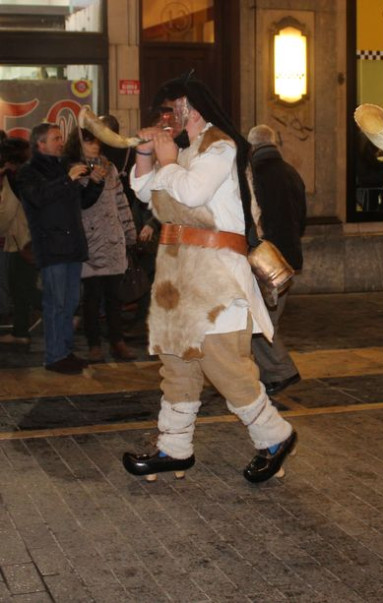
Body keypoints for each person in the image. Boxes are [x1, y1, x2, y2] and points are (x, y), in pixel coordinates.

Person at [122, 73, 296, 483]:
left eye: (172, 109)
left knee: (223, 363)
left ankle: (275, 436)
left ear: (192, 109)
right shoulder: (186, 150)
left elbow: (194, 192)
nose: (167, 119)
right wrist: (147, 155)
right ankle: (174, 447)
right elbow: (150, 193)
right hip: (181, 273)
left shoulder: (221, 146)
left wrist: (165, 160)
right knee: (178, 359)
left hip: (217, 273)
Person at [17, 122, 104, 374]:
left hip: (73, 246)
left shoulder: (64, 167)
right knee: (55, 302)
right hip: (51, 247)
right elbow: (39, 198)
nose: (61, 142)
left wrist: (95, 183)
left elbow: (83, 203)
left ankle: (65, 351)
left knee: (70, 302)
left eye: (61, 137)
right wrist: (67, 179)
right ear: (40, 144)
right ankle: (54, 356)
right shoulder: (28, 171)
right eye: (55, 138)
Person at [63, 126, 138, 362]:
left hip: (113, 238)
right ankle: (94, 344)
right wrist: (91, 180)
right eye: (88, 141)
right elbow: (80, 203)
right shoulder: (75, 169)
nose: (95, 145)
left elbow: (121, 200)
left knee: (114, 297)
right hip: (89, 240)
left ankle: (117, 342)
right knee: (92, 297)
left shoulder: (110, 167)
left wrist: (128, 231)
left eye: (96, 141)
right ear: (78, 143)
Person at [247, 124, 306, 395]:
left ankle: (282, 371)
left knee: (260, 322)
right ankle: (268, 374)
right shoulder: (292, 173)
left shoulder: (253, 174)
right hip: (288, 256)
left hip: (265, 258)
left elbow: (253, 218)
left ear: (252, 147)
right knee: (268, 319)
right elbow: (302, 218)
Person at [0, 133, 39, 349]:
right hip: (29, 238)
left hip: (23, 240)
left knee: (22, 288)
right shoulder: (30, 174)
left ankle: (68, 314)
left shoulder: (14, 179)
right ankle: (20, 332)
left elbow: (6, 214)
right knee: (21, 288)